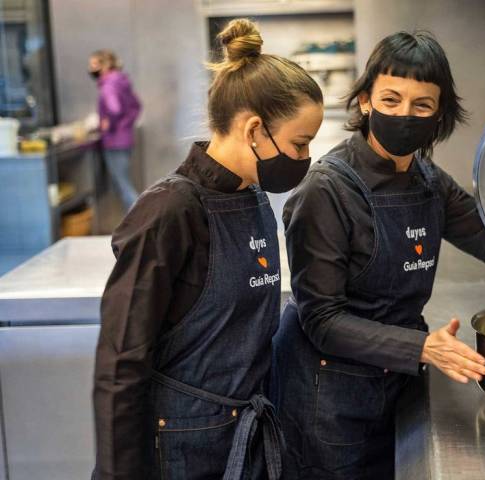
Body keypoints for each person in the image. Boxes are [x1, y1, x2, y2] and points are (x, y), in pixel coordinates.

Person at [271, 31, 485, 479]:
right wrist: (423, 347)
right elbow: (321, 319)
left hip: (392, 384)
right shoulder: (326, 190)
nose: (405, 114)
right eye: (391, 99)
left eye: (422, 105)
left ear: (438, 114)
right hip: (326, 396)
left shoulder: (429, 180)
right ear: (365, 101)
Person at [92, 19, 323, 480]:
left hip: (241, 438)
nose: (304, 159)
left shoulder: (252, 195)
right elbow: (120, 362)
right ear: (255, 129)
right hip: (179, 447)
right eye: (300, 144)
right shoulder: (169, 211)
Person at [88, 49, 142, 211]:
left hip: (114, 141)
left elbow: (115, 109)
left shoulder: (108, 84)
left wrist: (108, 124)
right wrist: (126, 125)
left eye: (93, 65)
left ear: (105, 66)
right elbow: (137, 106)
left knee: (123, 185)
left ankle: (140, 223)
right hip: (125, 139)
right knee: (123, 182)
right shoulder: (121, 81)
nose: (91, 69)